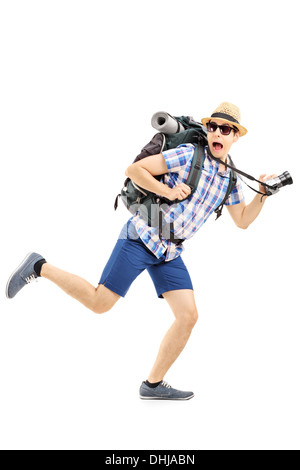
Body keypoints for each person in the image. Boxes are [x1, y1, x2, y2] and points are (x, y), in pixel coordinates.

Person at [5, 102, 275, 400]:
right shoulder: (189, 154)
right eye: (212, 127)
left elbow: (242, 221)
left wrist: (262, 195)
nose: (217, 133)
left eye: (225, 129)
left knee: (188, 316)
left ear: (236, 136)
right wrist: (168, 191)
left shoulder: (231, 179)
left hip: (169, 251)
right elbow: (134, 170)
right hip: (142, 235)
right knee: (100, 303)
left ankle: (153, 385)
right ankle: (38, 266)